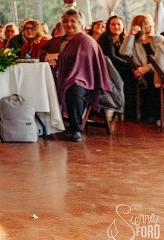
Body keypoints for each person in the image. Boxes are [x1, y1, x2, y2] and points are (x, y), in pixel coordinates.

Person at [41, 9, 112, 141]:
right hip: (56, 78)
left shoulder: (86, 41)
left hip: (83, 79)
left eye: (73, 21)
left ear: (81, 23)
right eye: (65, 21)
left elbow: (80, 59)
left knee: (74, 90)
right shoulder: (56, 40)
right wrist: (48, 57)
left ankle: (76, 128)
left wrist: (57, 57)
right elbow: (42, 52)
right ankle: (42, 125)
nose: (68, 24)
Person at [119, 13, 164, 124]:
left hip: (160, 71)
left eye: (151, 22)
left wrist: (147, 68)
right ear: (138, 25)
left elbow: (163, 60)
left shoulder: (158, 39)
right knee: (135, 79)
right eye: (146, 23)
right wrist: (131, 34)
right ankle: (148, 115)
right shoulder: (134, 41)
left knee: (151, 78)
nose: (151, 25)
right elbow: (124, 52)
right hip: (142, 73)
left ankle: (159, 116)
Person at [97, 15, 136, 118]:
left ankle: (129, 112)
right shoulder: (105, 37)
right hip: (107, 69)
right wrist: (129, 65)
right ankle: (124, 110)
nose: (116, 26)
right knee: (129, 76)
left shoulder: (125, 38)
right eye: (113, 24)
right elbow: (111, 57)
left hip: (120, 67)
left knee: (132, 76)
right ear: (108, 26)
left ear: (123, 26)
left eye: (118, 24)